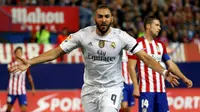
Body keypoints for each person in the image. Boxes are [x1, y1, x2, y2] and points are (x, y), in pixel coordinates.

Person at [12, 5, 178, 112]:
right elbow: (57, 52)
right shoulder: (83, 35)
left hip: (113, 88)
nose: (103, 20)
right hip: (90, 89)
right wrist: (31, 61)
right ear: (95, 18)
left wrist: (164, 72)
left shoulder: (121, 37)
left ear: (111, 19)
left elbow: (145, 58)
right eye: (100, 16)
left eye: (107, 16)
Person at [128, 16, 193, 112]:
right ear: (148, 26)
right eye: (157, 25)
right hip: (146, 91)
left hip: (161, 91)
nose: (159, 28)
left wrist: (184, 78)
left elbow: (171, 64)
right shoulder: (137, 44)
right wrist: (136, 87)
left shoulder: (160, 45)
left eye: (160, 25)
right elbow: (131, 67)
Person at [6, 47, 35, 112]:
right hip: (12, 90)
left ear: (22, 53)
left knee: (24, 110)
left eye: (20, 52)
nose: (18, 53)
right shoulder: (10, 64)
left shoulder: (25, 65)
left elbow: (29, 77)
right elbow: (9, 71)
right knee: (8, 109)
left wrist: (33, 88)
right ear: (14, 54)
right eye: (17, 52)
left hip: (21, 91)